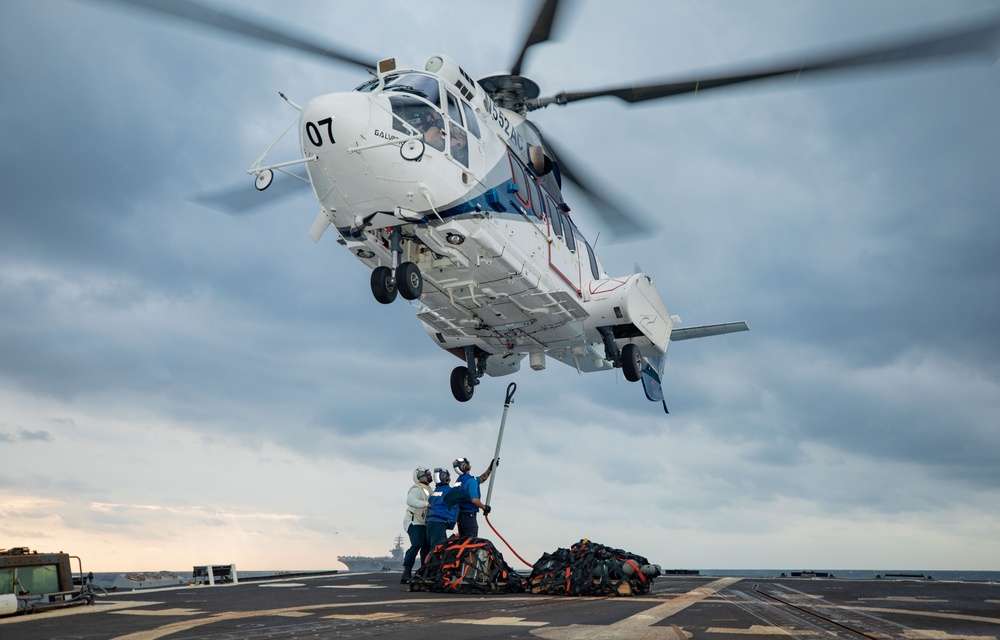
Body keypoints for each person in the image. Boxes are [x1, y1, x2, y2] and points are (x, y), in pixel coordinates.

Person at [400, 466, 432, 584]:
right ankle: (406, 571)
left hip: (423, 522)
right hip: (414, 521)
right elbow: (410, 500)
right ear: (420, 477)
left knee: (426, 546)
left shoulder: (429, 489)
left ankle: (424, 571)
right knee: (417, 544)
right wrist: (426, 504)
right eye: (426, 473)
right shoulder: (416, 489)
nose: (429, 475)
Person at [452, 457, 496, 538]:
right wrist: (484, 507)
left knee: (463, 541)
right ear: (465, 466)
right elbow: (474, 500)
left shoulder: (460, 480)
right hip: (469, 516)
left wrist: (491, 468)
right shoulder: (471, 481)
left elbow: (482, 478)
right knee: (471, 542)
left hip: (460, 516)